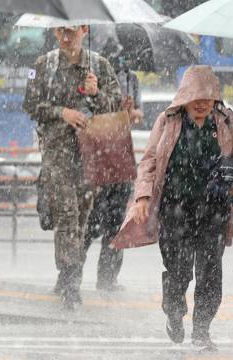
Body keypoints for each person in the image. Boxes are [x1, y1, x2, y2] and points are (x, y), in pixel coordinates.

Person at [128, 65, 233, 350]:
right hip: (175, 208)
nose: (202, 103)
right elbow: (149, 162)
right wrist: (143, 197)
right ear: (184, 96)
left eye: (208, 97)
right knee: (178, 270)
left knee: (210, 271)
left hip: (214, 208)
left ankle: (202, 330)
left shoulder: (225, 119)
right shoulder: (168, 119)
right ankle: (174, 312)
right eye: (196, 97)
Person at [23, 25, 122, 309]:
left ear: (84, 30)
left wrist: (96, 93)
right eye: (61, 32)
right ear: (54, 32)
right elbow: (30, 104)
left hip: (90, 153)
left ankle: (67, 273)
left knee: (81, 218)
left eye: (72, 32)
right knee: (66, 215)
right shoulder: (43, 65)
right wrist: (60, 113)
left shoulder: (99, 65)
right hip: (57, 154)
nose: (67, 37)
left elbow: (116, 105)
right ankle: (71, 280)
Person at [83, 45, 142, 292]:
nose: (122, 62)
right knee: (87, 224)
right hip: (96, 157)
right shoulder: (89, 74)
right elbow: (86, 114)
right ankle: (69, 274)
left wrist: (130, 113)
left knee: (115, 224)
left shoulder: (132, 79)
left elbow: (137, 112)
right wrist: (96, 96)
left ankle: (107, 278)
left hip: (120, 155)